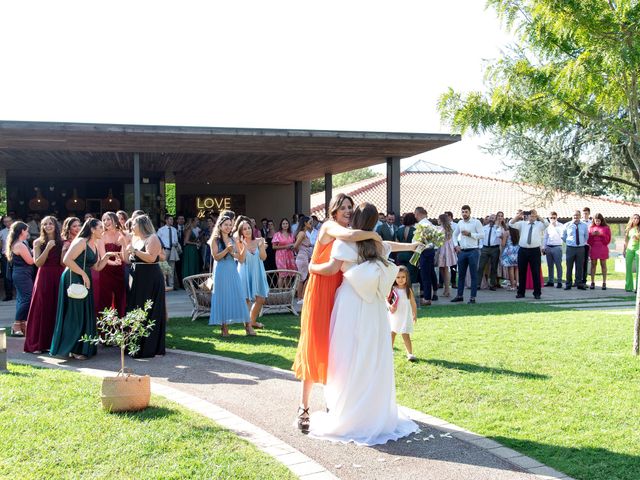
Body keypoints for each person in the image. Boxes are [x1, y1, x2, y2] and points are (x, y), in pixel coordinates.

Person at [307, 202, 419, 445]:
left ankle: (347, 409)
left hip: (350, 302)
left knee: (346, 354)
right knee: (372, 354)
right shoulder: (377, 243)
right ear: (374, 223)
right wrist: (412, 246)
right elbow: (392, 246)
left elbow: (330, 269)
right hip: (374, 308)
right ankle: (372, 411)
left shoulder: (345, 242)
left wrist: (311, 266)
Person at [292, 193, 382, 434]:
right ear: (333, 211)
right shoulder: (331, 227)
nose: (347, 211)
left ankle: (335, 404)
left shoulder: (355, 234)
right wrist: (374, 233)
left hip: (341, 293)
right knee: (315, 345)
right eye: (343, 208)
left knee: (338, 348)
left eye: (350, 208)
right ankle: (304, 406)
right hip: (321, 289)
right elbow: (349, 238)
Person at [50, 218, 120, 360]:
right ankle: (74, 348)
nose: (103, 229)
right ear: (92, 229)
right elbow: (67, 260)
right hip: (74, 278)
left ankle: (81, 346)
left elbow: (97, 267)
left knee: (84, 312)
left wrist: (107, 256)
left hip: (84, 278)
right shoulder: (81, 241)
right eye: (100, 227)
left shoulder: (93, 244)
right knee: (75, 313)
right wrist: (83, 274)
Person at [126, 215, 167, 358]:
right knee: (136, 308)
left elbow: (151, 258)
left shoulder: (152, 238)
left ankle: (148, 346)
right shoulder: (135, 239)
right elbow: (128, 259)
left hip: (150, 279)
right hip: (137, 279)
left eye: (133, 225)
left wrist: (135, 251)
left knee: (148, 310)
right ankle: (135, 344)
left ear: (142, 225)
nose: (131, 227)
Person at [24, 216, 64, 353]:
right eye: (45, 224)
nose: (48, 226)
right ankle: (38, 344)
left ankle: (55, 343)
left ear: (55, 225)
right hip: (44, 276)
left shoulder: (62, 242)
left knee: (56, 307)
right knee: (42, 307)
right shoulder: (37, 242)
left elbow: (63, 262)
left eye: (50, 223)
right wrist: (47, 248)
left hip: (59, 275)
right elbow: (38, 263)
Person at [208, 215, 253, 337]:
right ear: (220, 226)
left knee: (238, 295)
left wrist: (243, 248)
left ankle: (248, 326)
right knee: (222, 297)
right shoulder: (215, 240)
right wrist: (227, 250)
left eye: (230, 225)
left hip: (232, 270)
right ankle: (224, 327)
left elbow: (240, 259)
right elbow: (216, 257)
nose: (228, 227)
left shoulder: (233, 239)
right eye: (226, 225)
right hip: (221, 271)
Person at [508, 209, 548, 299]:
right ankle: (521, 292)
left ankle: (537, 293)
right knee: (522, 272)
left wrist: (538, 216)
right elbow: (511, 223)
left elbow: (547, 223)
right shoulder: (522, 224)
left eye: (534, 216)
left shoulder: (539, 224)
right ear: (527, 216)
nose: (532, 217)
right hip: (523, 250)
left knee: (536, 272)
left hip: (535, 251)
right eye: (531, 215)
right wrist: (518, 216)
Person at [237, 219, 269, 330]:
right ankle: (248, 326)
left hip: (258, 271)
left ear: (252, 228)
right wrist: (244, 247)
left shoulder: (260, 240)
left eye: (248, 228)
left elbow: (263, 257)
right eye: (244, 229)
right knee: (246, 300)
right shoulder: (239, 242)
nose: (247, 230)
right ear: (241, 232)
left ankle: (252, 321)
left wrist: (261, 247)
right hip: (245, 272)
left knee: (261, 298)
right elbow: (241, 260)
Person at [96, 212, 127, 317]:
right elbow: (102, 256)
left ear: (114, 220)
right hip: (106, 270)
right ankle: (105, 328)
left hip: (120, 270)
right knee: (106, 299)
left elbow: (124, 256)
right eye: (104, 220)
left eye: (108, 219)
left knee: (120, 298)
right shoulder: (101, 236)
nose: (106, 222)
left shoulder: (122, 233)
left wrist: (123, 244)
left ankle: (121, 325)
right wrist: (113, 263)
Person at [6, 221, 34, 336]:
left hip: (20, 273)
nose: (27, 233)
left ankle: (22, 324)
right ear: (22, 231)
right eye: (26, 230)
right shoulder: (20, 244)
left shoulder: (17, 243)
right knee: (28, 297)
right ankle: (17, 324)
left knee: (21, 298)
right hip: (22, 274)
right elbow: (30, 261)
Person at [451, 205, 484, 304]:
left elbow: (482, 235)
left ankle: (472, 297)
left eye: (466, 212)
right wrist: (456, 245)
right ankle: (459, 295)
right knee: (461, 275)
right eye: (463, 212)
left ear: (470, 212)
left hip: (473, 251)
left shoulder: (476, 222)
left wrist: (470, 234)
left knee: (473, 275)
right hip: (462, 252)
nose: (464, 214)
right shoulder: (460, 223)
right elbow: (454, 234)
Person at [387, 265, 418, 362]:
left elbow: (413, 303)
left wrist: (414, 314)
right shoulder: (392, 289)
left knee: (405, 334)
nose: (400, 280)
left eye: (403, 277)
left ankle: (410, 353)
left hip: (405, 316)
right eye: (398, 277)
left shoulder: (408, 290)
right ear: (394, 278)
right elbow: (387, 300)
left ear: (407, 277)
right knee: (392, 333)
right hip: (394, 315)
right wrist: (390, 306)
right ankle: (389, 350)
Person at [414, 207, 439, 305]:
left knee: (425, 275)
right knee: (430, 273)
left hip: (425, 250)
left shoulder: (422, 225)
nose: (415, 216)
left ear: (418, 213)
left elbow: (418, 239)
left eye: (415, 214)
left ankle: (427, 298)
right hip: (430, 250)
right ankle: (429, 294)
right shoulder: (430, 224)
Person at [562, 210, 589, 291]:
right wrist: (569, 242)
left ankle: (579, 283)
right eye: (574, 215)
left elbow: (586, 236)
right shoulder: (567, 225)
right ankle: (568, 284)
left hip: (580, 248)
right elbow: (563, 236)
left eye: (577, 215)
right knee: (569, 267)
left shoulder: (584, 225)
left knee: (580, 267)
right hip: (570, 248)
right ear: (572, 216)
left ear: (580, 216)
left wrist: (581, 243)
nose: (576, 217)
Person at [476, 213, 503, 291]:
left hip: (495, 248)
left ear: (496, 219)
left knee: (494, 267)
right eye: (490, 218)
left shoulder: (498, 228)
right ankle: (478, 284)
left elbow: (498, 235)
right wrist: (481, 247)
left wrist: (497, 226)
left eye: (493, 218)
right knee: (481, 266)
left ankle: (492, 284)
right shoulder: (484, 228)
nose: (491, 219)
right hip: (485, 248)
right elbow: (481, 237)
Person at [587, 213, 611, 290]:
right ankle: (592, 282)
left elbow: (608, 240)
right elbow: (588, 240)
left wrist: (601, 234)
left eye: (599, 221)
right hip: (594, 247)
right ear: (593, 220)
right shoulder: (591, 228)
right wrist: (592, 235)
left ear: (601, 220)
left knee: (603, 264)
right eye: (596, 221)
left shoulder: (606, 228)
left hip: (603, 247)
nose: (597, 222)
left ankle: (604, 282)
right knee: (593, 264)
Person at [395, 212, 419, 286]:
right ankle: (409, 294)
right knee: (410, 276)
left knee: (401, 275)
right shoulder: (416, 231)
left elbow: (396, 242)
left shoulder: (399, 230)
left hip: (400, 255)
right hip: (411, 256)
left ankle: (402, 292)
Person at [435, 213, 457, 297]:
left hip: (444, 249)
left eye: (438, 219)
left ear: (441, 220)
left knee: (445, 269)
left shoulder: (441, 229)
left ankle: (447, 289)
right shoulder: (448, 228)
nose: (437, 220)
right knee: (443, 269)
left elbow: (438, 239)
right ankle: (446, 289)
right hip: (446, 249)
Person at [272, 218, 297, 288]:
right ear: (281, 225)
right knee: (282, 274)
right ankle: (280, 292)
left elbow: (294, 244)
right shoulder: (277, 234)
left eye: (286, 223)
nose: (285, 225)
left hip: (290, 255)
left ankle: (287, 291)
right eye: (283, 224)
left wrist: (292, 247)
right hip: (280, 256)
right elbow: (273, 247)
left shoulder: (291, 235)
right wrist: (286, 246)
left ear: (289, 225)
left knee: (289, 274)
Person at [294, 215, 314, 302]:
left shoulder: (304, 233)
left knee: (304, 277)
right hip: (302, 257)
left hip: (304, 257)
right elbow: (295, 246)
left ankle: (301, 297)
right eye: (310, 222)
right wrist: (300, 252)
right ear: (305, 223)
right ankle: (300, 297)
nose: (311, 224)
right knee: (302, 278)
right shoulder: (302, 233)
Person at [157, 216, 180, 290]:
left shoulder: (174, 230)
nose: (172, 221)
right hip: (165, 250)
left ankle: (171, 285)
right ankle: (164, 285)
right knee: (163, 267)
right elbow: (158, 240)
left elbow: (176, 240)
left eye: (172, 219)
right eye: (170, 219)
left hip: (172, 249)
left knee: (171, 268)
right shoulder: (161, 230)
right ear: (166, 220)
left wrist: (175, 244)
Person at [543, 211, 564, 288]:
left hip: (557, 247)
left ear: (556, 217)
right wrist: (544, 247)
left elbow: (562, 235)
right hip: (549, 247)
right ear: (549, 218)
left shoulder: (561, 225)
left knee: (558, 265)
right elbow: (545, 237)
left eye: (554, 217)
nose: (552, 219)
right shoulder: (547, 226)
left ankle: (559, 281)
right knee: (550, 265)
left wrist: (556, 227)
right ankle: (550, 281)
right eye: (551, 218)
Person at [623, 214, 640, 292]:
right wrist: (624, 250)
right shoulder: (628, 228)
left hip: (638, 249)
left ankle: (638, 288)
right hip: (629, 249)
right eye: (634, 218)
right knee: (628, 268)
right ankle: (629, 287)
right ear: (632, 219)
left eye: (637, 218)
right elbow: (626, 240)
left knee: (638, 269)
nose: (636, 220)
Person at [0, 215, 14, 301]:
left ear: (12, 221)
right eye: (6, 221)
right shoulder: (1, 232)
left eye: (9, 221)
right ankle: (8, 295)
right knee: (6, 276)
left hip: (18, 255)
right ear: (3, 223)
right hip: (6, 256)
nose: (8, 223)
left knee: (18, 275)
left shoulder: (17, 230)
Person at [501, 227, 520, 291]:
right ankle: (517, 283)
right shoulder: (518, 232)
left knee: (510, 269)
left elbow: (503, 244)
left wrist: (502, 238)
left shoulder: (506, 233)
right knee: (517, 268)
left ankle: (512, 286)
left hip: (509, 251)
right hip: (517, 250)